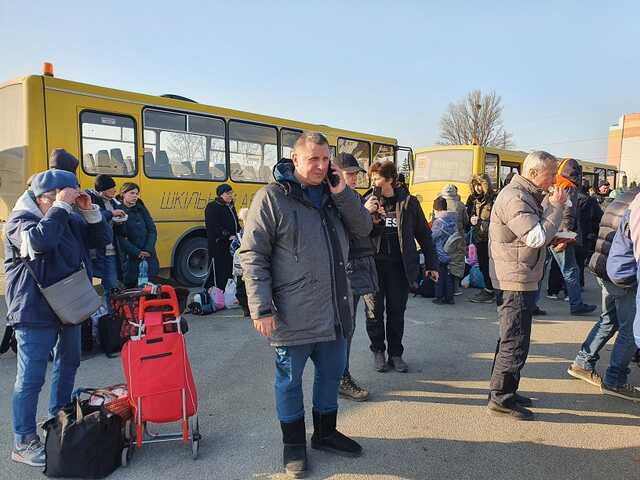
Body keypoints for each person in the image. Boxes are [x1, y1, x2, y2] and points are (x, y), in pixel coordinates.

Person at [239, 132, 372, 478]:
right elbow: (253, 254)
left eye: (326, 159)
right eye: (313, 159)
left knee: (331, 375)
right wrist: (260, 307)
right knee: (288, 381)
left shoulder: (335, 195)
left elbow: (363, 228)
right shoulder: (272, 198)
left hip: (336, 308)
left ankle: (325, 434)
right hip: (292, 311)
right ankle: (294, 444)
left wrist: (343, 194)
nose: (321, 166)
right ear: (295, 159)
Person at [4, 169, 108, 467]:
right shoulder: (19, 221)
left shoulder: (67, 216)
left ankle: (58, 417)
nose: (68, 205)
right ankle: (23, 441)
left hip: (68, 305)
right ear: (42, 198)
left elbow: (99, 240)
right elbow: (41, 243)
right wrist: (62, 206)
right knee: (31, 377)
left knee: (69, 361)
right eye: (62, 199)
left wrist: (89, 212)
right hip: (33, 310)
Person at [487, 151, 567, 420]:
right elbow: (535, 236)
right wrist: (556, 208)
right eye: (551, 174)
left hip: (520, 275)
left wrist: (553, 232)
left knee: (511, 338)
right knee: (515, 341)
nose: (554, 180)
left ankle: (503, 390)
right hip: (516, 279)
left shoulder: (524, 195)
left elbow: (532, 234)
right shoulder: (515, 197)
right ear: (533, 173)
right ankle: (502, 398)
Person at [364, 160, 438, 373]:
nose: (373, 182)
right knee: (374, 312)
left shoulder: (408, 203)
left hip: (399, 267)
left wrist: (431, 264)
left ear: (390, 179)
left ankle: (396, 354)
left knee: (396, 312)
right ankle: (378, 351)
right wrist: (369, 215)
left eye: (377, 178)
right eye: (371, 178)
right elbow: (358, 233)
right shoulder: (367, 201)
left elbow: (424, 234)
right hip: (374, 266)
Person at [568, 188, 640, 400]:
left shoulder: (623, 197)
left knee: (609, 319)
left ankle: (582, 362)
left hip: (604, 266)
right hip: (623, 273)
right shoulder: (636, 204)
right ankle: (615, 380)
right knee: (629, 329)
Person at [333, 152, 379, 402]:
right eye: (349, 174)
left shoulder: (352, 198)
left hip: (359, 267)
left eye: (355, 174)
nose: (353, 178)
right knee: (344, 328)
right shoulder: (336, 200)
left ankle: (340, 376)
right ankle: (341, 378)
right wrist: (364, 211)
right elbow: (343, 234)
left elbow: (364, 233)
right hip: (347, 270)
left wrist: (374, 218)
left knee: (348, 328)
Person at [549, 159, 597, 315]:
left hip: (549, 231)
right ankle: (576, 304)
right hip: (561, 234)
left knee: (540, 270)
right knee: (570, 270)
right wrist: (564, 237)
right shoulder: (569, 186)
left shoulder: (554, 182)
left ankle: (532, 304)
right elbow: (568, 213)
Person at [87, 174, 127, 307]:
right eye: (111, 188)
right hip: (96, 253)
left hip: (111, 251)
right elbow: (94, 216)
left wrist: (120, 223)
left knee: (111, 285)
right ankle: (98, 314)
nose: (115, 191)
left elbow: (119, 231)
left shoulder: (114, 202)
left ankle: (110, 314)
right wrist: (111, 214)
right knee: (94, 288)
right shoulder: (91, 200)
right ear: (103, 189)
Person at [116, 183, 159, 288]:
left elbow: (152, 230)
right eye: (132, 193)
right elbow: (119, 237)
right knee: (132, 289)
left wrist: (148, 249)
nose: (135, 196)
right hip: (130, 258)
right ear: (123, 194)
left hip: (148, 256)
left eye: (136, 193)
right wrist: (137, 252)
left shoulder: (141, 209)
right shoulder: (118, 211)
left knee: (149, 288)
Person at [466, 174, 496, 303]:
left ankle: (492, 290)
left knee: (492, 265)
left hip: (492, 237)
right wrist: (471, 218)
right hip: (479, 236)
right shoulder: (473, 199)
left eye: (480, 185)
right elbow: (468, 214)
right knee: (483, 264)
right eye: (475, 185)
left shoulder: (493, 198)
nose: (477, 188)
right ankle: (489, 289)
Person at [205, 183, 239, 290]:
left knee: (229, 269)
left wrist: (239, 233)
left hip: (231, 245)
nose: (230, 195)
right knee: (218, 270)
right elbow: (213, 226)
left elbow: (235, 223)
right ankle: (216, 291)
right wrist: (228, 236)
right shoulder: (212, 207)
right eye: (227, 193)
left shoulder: (230, 206)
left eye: (231, 193)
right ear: (221, 194)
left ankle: (227, 291)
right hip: (218, 244)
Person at [439, 184, 468, 295]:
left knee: (443, 260)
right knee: (457, 261)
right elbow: (466, 221)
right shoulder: (460, 205)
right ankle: (455, 288)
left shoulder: (440, 203)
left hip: (443, 237)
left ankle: (443, 287)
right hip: (457, 237)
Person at [431, 197, 458, 305]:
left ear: (437, 210)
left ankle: (439, 297)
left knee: (439, 275)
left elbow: (433, 237)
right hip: (450, 252)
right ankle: (450, 298)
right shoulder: (452, 220)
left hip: (440, 253)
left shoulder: (438, 222)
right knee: (448, 276)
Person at [576, 179, 603, 287]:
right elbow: (599, 216)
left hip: (570, 232)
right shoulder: (591, 200)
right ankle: (579, 283)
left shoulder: (570, 197)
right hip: (586, 233)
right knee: (580, 261)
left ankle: (556, 287)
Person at [230, 207, 250, 317]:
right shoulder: (258, 232)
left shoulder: (239, 234)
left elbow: (232, 249)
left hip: (240, 266)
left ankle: (245, 309)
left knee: (241, 287)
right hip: (253, 264)